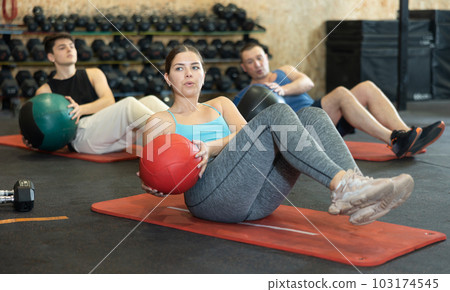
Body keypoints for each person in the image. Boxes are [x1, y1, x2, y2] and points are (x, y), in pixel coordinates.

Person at [139, 45, 414, 226]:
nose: (188, 73)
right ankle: (344, 187)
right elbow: (155, 174)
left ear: (203, 74)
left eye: (195, 67)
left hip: (258, 198)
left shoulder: (221, 104)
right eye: (179, 68)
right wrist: (154, 184)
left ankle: (358, 191)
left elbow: (248, 137)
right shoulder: (160, 120)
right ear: (167, 78)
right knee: (276, 117)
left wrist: (211, 147)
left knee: (312, 116)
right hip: (209, 201)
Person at [234, 43, 445, 159]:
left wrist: (282, 89)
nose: (257, 64)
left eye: (259, 57)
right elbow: (240, 125)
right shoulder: (247, 93)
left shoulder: (284, 71)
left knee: (366, 87)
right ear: (244, 67)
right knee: (341, 93)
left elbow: (307, 82)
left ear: (266, 57)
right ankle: (394, 140)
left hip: (323, 116)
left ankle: (407, 135)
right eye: (250, 62)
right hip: (302, 128)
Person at [24, 33, 169, 154]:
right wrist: (32, 135)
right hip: (80, 137)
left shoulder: (94, 73)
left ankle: (183, 136)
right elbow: (38, 123)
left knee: (151, 100)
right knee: (129, 104)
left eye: (72, 46)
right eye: (62, 47)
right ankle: (179, 137)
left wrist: (80, 109)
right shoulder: (45, 91)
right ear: (51, 57)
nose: (69, 50)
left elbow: (108, 101)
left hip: (108, 131)